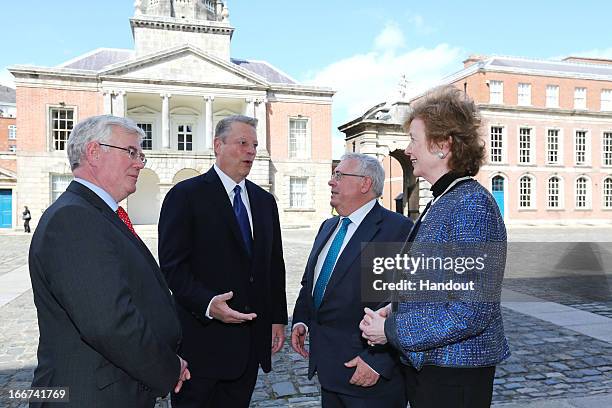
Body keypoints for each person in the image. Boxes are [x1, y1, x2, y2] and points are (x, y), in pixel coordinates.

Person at [360, 86, 510, 408]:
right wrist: (397, 307)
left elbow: (471, 311)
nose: (408, 148)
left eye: (414, 139)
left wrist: (391, 330)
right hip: (434, 368)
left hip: (455, 375)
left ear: (442, 145)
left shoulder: (471, 204)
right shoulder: (446, 198)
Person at [28, 115, 190, 408]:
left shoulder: (98, 214)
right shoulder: (73, 219)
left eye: (141, 154)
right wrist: (168, 368)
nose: (141, 163)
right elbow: (110, 323)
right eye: (131, 152)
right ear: (94, 152)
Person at [158, 114, 288, 408]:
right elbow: (172, 268)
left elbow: (273, 265)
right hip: (201, 345)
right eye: (242, 143)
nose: (251, 151)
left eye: (254, 144)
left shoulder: (264, 201)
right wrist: (207, 304)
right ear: (218, 145)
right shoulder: (185, 195)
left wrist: (278, 318)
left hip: (248, 348)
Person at [291, 153, 413, 408]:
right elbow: (309, 283)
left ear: (365, 184)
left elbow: (402, 303)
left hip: (368, 379)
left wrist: (378, 362)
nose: (330, 182)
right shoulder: (328, 226)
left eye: (339, 175)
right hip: (328, 373)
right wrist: (302, 319)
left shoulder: (395, 230)